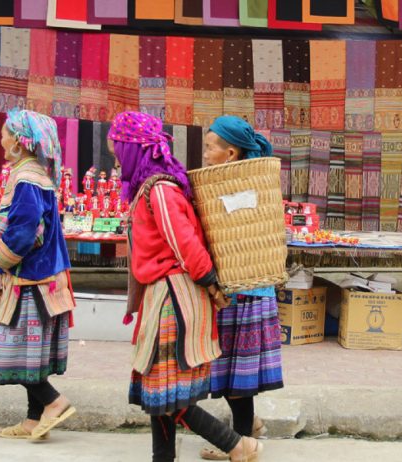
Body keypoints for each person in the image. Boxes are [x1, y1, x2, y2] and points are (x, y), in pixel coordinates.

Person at [109, 111, 262, 462]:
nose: (116, 158)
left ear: (134, 149)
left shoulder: (160, 190)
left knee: (166, 394)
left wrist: (209, 282)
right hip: (162, 296)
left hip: (172, 299)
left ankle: (238, 445)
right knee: (161, 393)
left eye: (118, 149)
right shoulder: (152, 188)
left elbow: (186, 243)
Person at [0, 108, 76, 441]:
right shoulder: (37, 175)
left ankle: (55, 403)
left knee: (16, 350)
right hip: (44, 277)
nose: (2, 137)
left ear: (20, 143)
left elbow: (23, 231)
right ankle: (33, 421)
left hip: (32, 279)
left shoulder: (25, 179)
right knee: (31, 355)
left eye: (7, 133)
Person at [199, 115, 284, 461]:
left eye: (209, 147)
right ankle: (251, 425)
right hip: (249, 289)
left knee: (238, 377)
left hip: (244, 291)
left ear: (231, 153)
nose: (204, 154)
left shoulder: (239, 185)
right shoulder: (250, 180)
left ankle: (241, 441)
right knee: (237, 372)